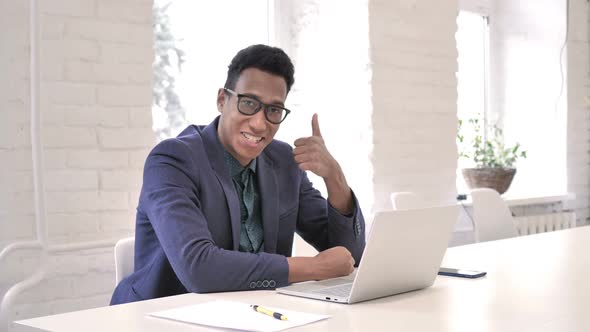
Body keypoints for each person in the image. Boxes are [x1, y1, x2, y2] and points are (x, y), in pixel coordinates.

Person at [110, 44, 365, 305]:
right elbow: (199, 268)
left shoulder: (284, 162)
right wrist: (313, 268)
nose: (259, 123)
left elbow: (349, 257)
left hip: (254, 313)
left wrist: (334, 177)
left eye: (274, 110)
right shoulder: (172, 161)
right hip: (160, 315)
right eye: (248, 103)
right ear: (222, 100)